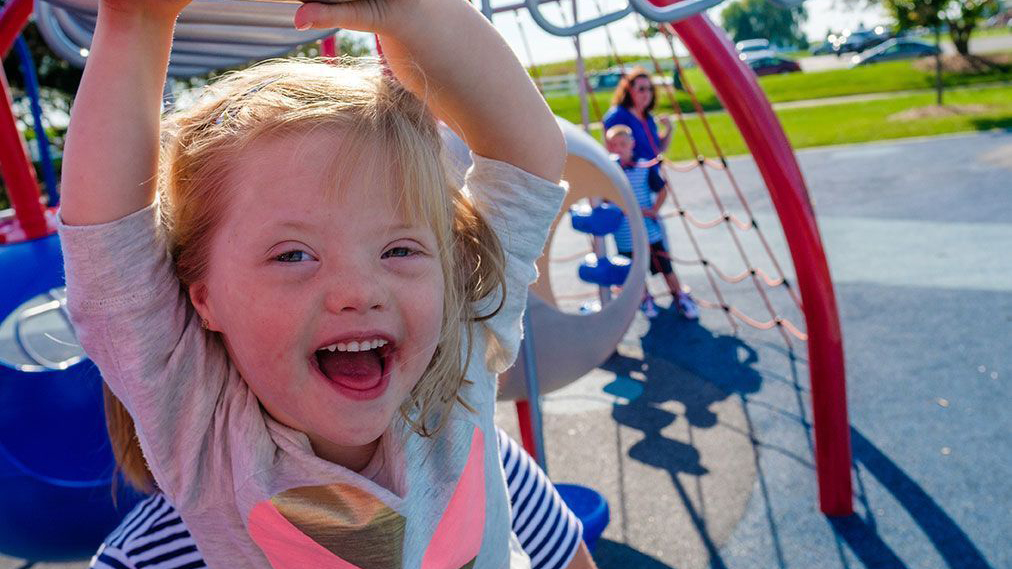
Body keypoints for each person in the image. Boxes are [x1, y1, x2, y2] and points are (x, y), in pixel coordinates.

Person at [59, 0, 575, 566]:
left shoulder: (458, 357)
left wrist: (416, 13)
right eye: (294, 256)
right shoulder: (206, 435)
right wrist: (136, 21)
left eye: (399, 249)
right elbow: (109, 256)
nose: (359, 290)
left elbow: (528, 159)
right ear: (203, 296)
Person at [90, 427, 592, 569]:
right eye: (290, 258)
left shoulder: (468, 455)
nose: (356, 294)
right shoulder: (139, 559)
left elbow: (566, 557)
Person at [605, 125, 698, 320]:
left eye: (623, 144)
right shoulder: (609, 171)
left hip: (648, 230)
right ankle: (645, 297)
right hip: (624, 233)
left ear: (632, 144)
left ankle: (679, 295)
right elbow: (603, 198)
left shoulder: (643, 167)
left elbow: (662, 189)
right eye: (614, 145)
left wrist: (654, 210)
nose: (619, 148)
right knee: (634, 271)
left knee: (664, 265)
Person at [602, 66, 673, 163]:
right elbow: (613, 152)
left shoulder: (648, 117)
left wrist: (669, 129)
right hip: (631, 175)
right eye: (641, 89)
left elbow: (657, 149)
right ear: (629, 91)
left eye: (650, 89)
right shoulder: (617, 116)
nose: (647, 93)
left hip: (651, 173)